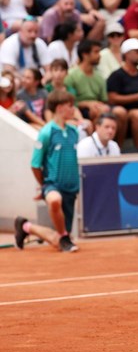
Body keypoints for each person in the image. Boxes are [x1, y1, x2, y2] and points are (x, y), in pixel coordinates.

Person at [14, 90, 80, 253]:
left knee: (58, 239)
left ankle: (25, 226)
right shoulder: (46, 132)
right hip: (52, 184)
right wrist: (44, 186)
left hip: (71, 187)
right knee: (54, 200)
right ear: (59, 108)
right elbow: (35, 164)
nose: (73, 110)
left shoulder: (74, 132)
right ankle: (64, 236)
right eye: (70, 106)